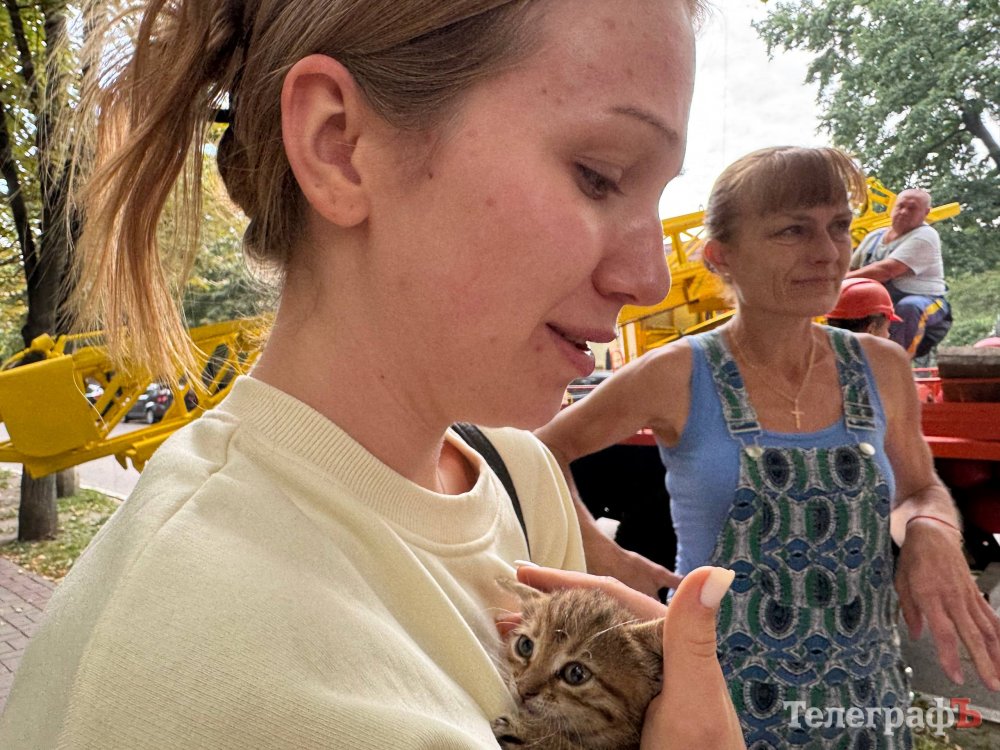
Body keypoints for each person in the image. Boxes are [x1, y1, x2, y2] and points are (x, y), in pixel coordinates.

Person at [0, 1, 748, 748]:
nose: (650, 278)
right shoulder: (208, 671)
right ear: (339, 147)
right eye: (599, 177)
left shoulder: (522, 477)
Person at [536, 146, 1000, 749]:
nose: (828, 251)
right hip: (716, 700)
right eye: (792, 230)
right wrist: (602, 553)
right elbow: (542, 449)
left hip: (864, 700)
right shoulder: (677, 374)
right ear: (720, 256)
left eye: (838, 227)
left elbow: (918, 488)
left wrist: (930, 528)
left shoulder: (881, 368)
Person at [847, 188, 952, 358]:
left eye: (912, 208)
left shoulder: (925, 236)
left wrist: (836, 281)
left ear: (926, 213)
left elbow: (886, 270)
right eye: (900, 206)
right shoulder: (874, 237)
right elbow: (850, 270)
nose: (904, 212)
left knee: (909, 307)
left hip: (927, 305)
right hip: (882, 307)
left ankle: (896, 363)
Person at [826, 277, 902, 338]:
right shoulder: (886, 352)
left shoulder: (821, 348)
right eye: (887, 329)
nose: (888, 335)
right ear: (871, 330)